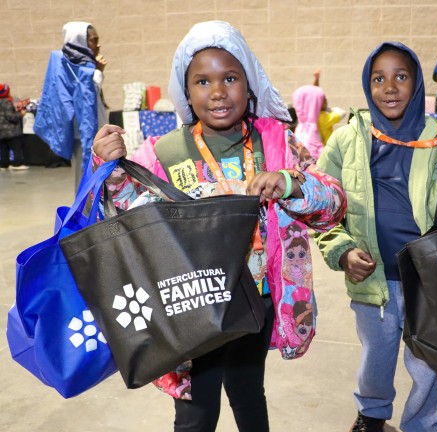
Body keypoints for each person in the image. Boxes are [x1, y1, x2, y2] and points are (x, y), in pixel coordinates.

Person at [91, 20, 347, 432]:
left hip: (257, 303)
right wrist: (111, 171)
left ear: (249, 83)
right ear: (186, 91)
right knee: (196, 412)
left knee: (249, 397)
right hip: (192, 305)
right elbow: (129, 220)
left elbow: (333, 203)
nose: (217, 91)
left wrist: (292, 182)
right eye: (202, 81)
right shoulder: (164, 152)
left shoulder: (277, 142)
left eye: (230, 77)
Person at [314, 41, 437, 432]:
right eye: (379, 78)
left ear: (418, 84)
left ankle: (422, 426)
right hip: (372, 277)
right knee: (376, 357)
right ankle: (371, 414)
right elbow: (323, 208)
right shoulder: (346, 139)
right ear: (366, 85)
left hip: (428, 278)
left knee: (429, 364)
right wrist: (342, 252)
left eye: (401, 77)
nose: (389, 87)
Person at [34, 21, 108, 190]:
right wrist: (98, 72)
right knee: (85, 181)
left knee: (99, 180)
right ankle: (84, 215)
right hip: (83, 136)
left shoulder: (83, 64)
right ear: (79, 40)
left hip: (95, 132)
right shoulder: (71, 65)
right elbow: (84, 99)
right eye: (94, 40)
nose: (98, 45)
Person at [313, 69, 347, 145]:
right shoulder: (324, 118)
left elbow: (314, 96)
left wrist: (316, 79)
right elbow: (342, 112)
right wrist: (327, 108)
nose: (326, 101)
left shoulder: (310, 117)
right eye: (324, 100)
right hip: (323, 151)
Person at [0, 84, 28, 171]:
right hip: (10, 131)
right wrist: (20, 114)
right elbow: (10, 116)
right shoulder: (6, 102)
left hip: (1, 131)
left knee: (4, 148)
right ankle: (17, 164)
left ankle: (4, 164)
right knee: (16, 147)